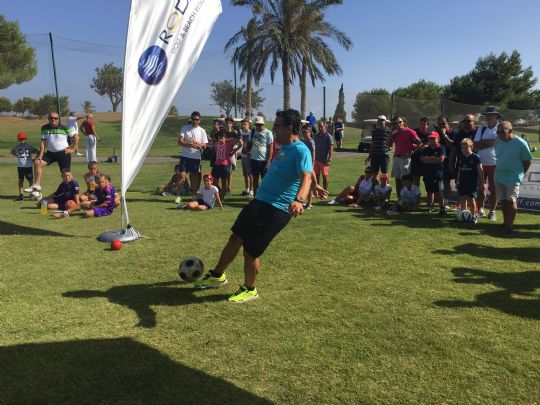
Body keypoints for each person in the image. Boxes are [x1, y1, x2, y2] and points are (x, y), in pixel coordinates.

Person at [194, 109, 312, 303]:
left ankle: (250, 289)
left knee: (250, 250)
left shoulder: (300, 149)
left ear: (289, 128)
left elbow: (305, 175)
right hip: (259, 202)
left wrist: (299, 200)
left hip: (275, 208)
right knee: (235, 238)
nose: (273, 130)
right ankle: (217, 276)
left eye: (277, 126)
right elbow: (307, 174)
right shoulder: (285, 149)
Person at [494, 121, 533, 236]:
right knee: (504, 201)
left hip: (513, 177)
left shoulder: (520, 143)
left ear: (510, 131)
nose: (499, 134)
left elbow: (527, 161)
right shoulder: (497, 142)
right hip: (499, 176)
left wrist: (521, 173)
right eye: (498, 132)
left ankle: (510, 228)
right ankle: (505, 223)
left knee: (511, 200)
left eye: (502, 132)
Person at [25, 112, 79, 193]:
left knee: (66, 174)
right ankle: (37, 185)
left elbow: (76, 137)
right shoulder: (44, 128)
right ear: (48, 119)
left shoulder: (65, 127)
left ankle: (70, 190)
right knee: (37, 162)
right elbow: (43, 142)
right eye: (51, 118)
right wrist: (40, 155)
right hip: (50, 153)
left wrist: (72, 149)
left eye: (55, 118)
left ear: (58, 119)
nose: (53, 119)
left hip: (63, 153)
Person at [473, 106, 500, 221]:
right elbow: (475, 145)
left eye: (491, 115)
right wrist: (491, 142)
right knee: (480, 188)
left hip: (495, 163)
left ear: (497, 116)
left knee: (494, 190)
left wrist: (483, 143)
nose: (489, 117)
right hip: (480, 163)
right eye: (487, 115)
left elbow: (500, 142)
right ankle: (480, 210)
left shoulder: (501, 127)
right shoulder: (482, 128)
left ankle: (492, 211)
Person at [388, 116, 422, 198]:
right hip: (396, 158)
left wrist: (412, 152)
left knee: (405, 180)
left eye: (399, 122)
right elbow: (388, 144)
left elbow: (420, 143)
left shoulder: (410, 132)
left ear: (404, 122)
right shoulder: (395, 133)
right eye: (396, 123)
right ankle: (400, 198)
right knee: (397, 180)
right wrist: (391, 133)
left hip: (405, 159)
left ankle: (406, 198)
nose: (398, 124)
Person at [178, 111, 208, 195]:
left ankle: (194, 195)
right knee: (182, 176)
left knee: (195, 177)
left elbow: (204, 145)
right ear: (190, 119)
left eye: (197, 119)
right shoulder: (185, 128)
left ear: (199, 120)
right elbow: (180, 142)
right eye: (193, 119)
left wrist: (196, 143)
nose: (195, 121)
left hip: (195, 157)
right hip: (185, 156)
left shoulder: (202, 131)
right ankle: (178, 196)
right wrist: (190, 145)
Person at [456, 138, 484, 222]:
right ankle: (463, 215)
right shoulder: (460, 157)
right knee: (462, 198)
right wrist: (457, 180)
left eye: (466, 147)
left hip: (472, 182)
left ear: (471, 146)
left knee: (471, 199)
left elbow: (480, 171)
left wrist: (482, 183)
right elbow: (459, 170)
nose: (464, 149)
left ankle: (473, 216)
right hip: (462, 181)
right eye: (462, 147)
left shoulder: (476, 157)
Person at [212, 130, 242, 200]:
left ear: (225, 138)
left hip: (224, 165)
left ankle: (221, 197)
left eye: (222, 138)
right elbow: (213, 144)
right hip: (216, 165)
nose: (220, 139)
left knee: (224, 182)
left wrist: (227, 140)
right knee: (214, 181)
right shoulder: (217, 144)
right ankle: (220, 192)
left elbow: (239, 142)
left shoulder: (228, 144)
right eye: (219, 138)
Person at [420, 133, 446, 215]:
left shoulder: (441, 148)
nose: (431, 140)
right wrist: (433, 158)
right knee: (429, 191)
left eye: (433, 138)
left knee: (438, 191)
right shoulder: (426, 149)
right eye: (430, 138)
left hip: (437, 173)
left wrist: (429, 159)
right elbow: (423, 159)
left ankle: (442, 208)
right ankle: (430, 207)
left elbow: (440, 160)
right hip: (427, 172)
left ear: (438, 139)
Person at [435, 116, 457, 208]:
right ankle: (440, 201)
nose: (441, 126)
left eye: (443, 123)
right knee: (440, 181)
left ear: (448, 123)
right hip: (439, 161)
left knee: (451, 182)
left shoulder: (454, 133)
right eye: (439, 124)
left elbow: (452, 146)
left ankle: (449, 202)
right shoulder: (436, 133)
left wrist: (444, 135)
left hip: (451, 160)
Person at [249, 115, 273, 195]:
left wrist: (268, 161)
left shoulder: (268, 133)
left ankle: (264, 196)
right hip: (254, 159)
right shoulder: (252, 132)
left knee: (265, 180)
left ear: (263, 124)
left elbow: (270, 148)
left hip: (264, 160)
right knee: (255, 179)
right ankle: (256, 196)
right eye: (257, 125)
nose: (258, 126)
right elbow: (249, 145)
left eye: (260, 125)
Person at [11, 132, 38, 200]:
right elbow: (12, 151)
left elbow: (38, 152)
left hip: (28, 166)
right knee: (20, 180)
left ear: (25, 139)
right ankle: (21, 194)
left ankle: (32, 194)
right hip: (20, 166)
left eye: (23, 139)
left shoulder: (30, 146)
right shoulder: (17, 147)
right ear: (18, 139)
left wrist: (35, 159)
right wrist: (17, 155)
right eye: (20, 139)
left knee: (30, 181)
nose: (22, 140)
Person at [411, 117, 437, 187]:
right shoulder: (414, 132)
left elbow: (427, 145)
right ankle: (416, 195)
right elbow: (410, 143)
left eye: (424, 124)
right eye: (421, 124)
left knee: (427, 179)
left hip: (426, 160)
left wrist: (417, 146)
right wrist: (418, 146)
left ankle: (429, 196)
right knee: (416, 178)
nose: (422, 126)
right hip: (415, 158)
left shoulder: (430, 135)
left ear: (427, 125)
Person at [221, 117, 242, 195]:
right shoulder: (222, 132)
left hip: (230, 154)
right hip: (223, 154)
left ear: (232, 124)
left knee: (229, 172)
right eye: (226, 123)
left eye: (229, 123)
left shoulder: (234, 133)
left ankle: (228, 188)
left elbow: (241, 143)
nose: (228, 124)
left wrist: (234, 151)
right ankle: (223, 188)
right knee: (222, 171)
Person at [313, 119, 333, 191]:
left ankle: (325, 191)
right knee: (316, 176)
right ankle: (318, 191)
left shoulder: (328, 137)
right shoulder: (316, 136)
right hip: (316, 160)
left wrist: (329, 159)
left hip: (324, 160)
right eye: (319, 126)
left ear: (325, 127)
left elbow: (331, 149)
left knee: (325, 176)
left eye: (321, 126)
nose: (319, 128)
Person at [301, 124, 316, 209]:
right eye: (302, 132)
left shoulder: (311, 142)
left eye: (305, 132)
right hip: (303, 165)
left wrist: (312, 166)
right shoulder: (303, 141)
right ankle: (303, 201)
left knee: (309, 185)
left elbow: (313, 155)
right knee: (303, 184)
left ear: (310, 132)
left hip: (309, 166)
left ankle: (309, 203)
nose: (303, 134)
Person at [239, 118, 253, 197]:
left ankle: (251, 190)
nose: (243, 126)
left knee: (250, 173)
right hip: (243, 155)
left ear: (248, 125)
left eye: (245, 124)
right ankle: (247, 189)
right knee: (245, 173)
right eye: (242, 124)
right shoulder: (242, 133)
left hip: (249, 156)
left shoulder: (251, 133)